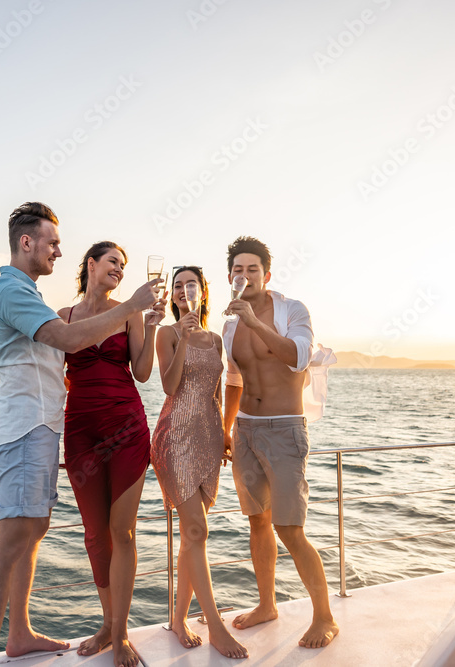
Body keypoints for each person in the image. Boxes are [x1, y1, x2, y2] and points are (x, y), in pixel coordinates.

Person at [0, 203, 160, 667]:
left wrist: (142, 320)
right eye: (52, 242)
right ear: (26, 242)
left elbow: (124, 369)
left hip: (61, 426)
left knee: (35, 529)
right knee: (22, 532)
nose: (58, 250)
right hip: (37, 427)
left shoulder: (30, 294)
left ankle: (20, 635)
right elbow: (69, 342)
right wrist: (135, 306)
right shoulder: (20, 295)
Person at [221, 237, 340, 649]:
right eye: (237, 270)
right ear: (230, 276)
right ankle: (267, 605)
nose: (244, 275)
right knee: (257, 523)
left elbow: (299, 356)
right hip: (247, 431)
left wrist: (255, 321)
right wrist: (226, 427)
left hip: (285, 429)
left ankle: (324, 617)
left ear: (266, 275)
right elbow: (234, 378)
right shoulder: (229, 324)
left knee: (290, 528)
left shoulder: (292, 310)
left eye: (252, 269)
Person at [56, 242, 167, 667]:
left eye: (124, 265)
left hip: (126, 426)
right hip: (81, 430)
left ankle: (119, 633)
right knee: (94, 534)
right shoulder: (63, 318)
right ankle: (106, 623)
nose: (120, 270)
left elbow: (141, 372)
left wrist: (152, 324)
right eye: (113, 262)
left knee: (122, 532)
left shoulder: (131, 310)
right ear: (91, 265)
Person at [150, 266, 249, 659]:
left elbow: (218, 391)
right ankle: (216, 627)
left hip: (208, 439)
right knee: (198, 530)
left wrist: (225, 432)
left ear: (203, 292)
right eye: (178, 286)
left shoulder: (216, 340)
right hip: (175, 439)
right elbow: (170, 387)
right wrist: (184, 339)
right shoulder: (167, 334)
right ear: (174, 297)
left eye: (190, 284)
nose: (183, 290)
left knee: (193, 536)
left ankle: (178, 619)